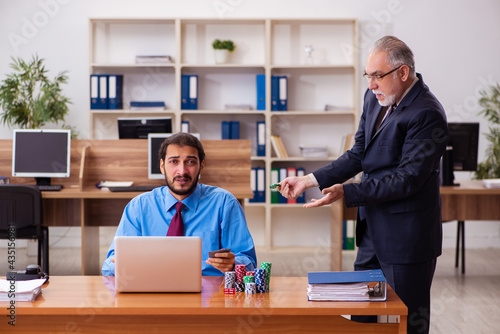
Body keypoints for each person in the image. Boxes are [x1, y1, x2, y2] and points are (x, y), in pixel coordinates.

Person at [278, 36, 448, 334]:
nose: (370, 85)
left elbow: (406, 179)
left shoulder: (427, 113)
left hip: (408, 239)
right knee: (362, 316)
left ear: (403, 73)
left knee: (408, 323)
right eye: (368, 76)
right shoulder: (375, 98)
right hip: (371, 232)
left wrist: (347, 192)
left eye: (377, 76)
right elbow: (358, 154)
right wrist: (308, 180)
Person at [102, 132, 257, 276]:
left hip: (209, 295)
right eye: (174, 161)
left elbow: (249, 262)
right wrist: (120, 264)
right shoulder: (139, 207)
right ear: (162, 166)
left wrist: (233, 264)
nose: (182, 171)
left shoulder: (224, 204)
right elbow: (108, 266)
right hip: (153, 289)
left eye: (190, 162)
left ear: (201, 167)